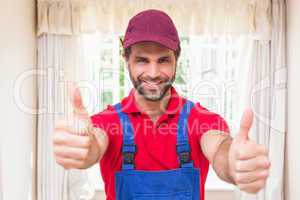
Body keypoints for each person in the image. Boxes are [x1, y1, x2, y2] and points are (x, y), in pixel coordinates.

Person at [53, 9, 270, 200]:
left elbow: (221, 150)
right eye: (142, 60)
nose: (154, 73)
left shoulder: (201, 120)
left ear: (177, 59)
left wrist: (235, 163)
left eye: (163, 60)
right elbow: (93, 144)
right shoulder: (107, 122)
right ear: (125, 59)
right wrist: (83, 146)